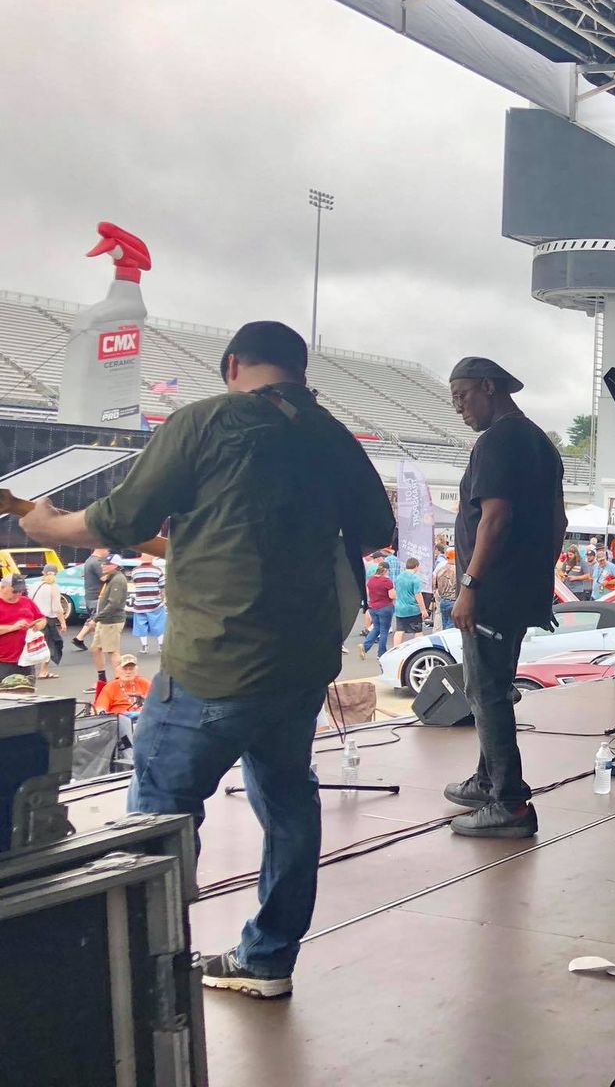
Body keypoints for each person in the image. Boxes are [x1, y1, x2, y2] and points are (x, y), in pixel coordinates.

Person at [21, 320, 393, 1000]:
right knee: (289, 802)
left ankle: (146, 976)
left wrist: (46, 525)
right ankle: (268, 960)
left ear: (231, 366)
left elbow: (121, 518)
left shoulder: (206, 421)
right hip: (300, 663)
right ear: (300, 372)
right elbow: (374, 529)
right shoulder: (331, 433)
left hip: (214, 662)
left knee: (159, 811)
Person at [443, 356, 565, 838]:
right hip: (517, 588)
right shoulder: (540, 441)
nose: (459, 408)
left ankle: (509, 802)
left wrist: (470, 585)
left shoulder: (496, 441)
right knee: (493, 685)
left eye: (462, 396)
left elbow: (495, 518)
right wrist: (535, 576)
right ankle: (486, 780)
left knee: (485, 691)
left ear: (488, 388)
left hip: (491, 591)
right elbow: (559, 522)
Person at [0, 574, 47, 683]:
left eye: (21, 591)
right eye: (15, 591)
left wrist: (38, 625)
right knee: (6, 691)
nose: (18, 594)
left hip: (27, 659)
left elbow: (42, 619)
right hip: (4, 661)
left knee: (27, 690)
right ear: (3, 587)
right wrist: (12, 627)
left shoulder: (26, 601)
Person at [92, 560, 129, 686]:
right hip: (104, 620)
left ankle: (121, 681)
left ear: (115, 565)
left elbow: (114, 604)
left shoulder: (118, 580)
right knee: (96, 649)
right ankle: (102, 680)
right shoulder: (111, 578)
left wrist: (96, 618)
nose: (102, 566)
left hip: (112, 621)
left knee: (112, 651)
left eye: (106, 564)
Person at [28, 567, 69, 678]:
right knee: (50, 645)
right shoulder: (53, 587)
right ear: (56, 574)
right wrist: (63, 622)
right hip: (47, 620)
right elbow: (57, 607)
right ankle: (43, 671)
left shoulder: (34, 585)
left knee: (34, 645)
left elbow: (29, 601)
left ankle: (30, 671)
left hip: (34, 619)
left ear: (43, 572)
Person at [70, 546, 109, 651]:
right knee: (98, 619)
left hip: (90, 595)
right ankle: (98, 643)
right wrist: (114, 572)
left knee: (94, 618)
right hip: (97, 596)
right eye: (107, 550)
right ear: (101, 549)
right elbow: (104, 578)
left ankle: (79, 638)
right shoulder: (97, 562)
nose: (108, 553)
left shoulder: (89, 560)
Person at [128, 552, 168, 653]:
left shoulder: (135, 571)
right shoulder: (158, 570)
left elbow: (135, 583)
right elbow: (162, 587)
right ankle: (161, 646)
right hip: (155, 603)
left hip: (140, 603)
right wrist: (162, 599)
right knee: (159, 625)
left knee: (141, 626)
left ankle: (144, 646)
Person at [361, 562, 396, 659]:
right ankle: (381, 653)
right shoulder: (387, 581)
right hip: (385, 607)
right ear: (386, 570)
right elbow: (392, 596)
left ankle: (365, 647)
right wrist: (396, 592)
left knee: (376, 628)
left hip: (373, 607)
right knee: (384, 630)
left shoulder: (371, 580)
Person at [393, 557, 430, 640]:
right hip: (412, 609)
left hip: (400, 608)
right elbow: (418, 595)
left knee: (399, 630)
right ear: (416, 566)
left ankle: (396, 647)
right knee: (418, 631)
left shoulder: (398, 577)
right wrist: (423, 610)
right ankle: (418, 647)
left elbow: (395, 592)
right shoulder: (415, 578)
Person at [433, 550, 458, 629]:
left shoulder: (441, 569)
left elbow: (434, 583)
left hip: (443, 600)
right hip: (453, 600)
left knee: (445, 625)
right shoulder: (457, 570)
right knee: (451, 628)